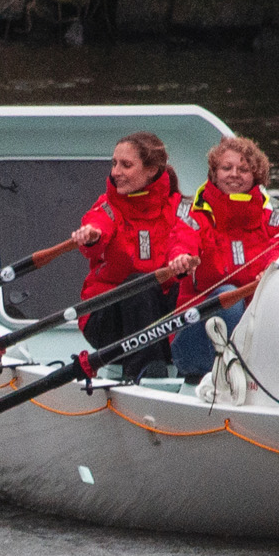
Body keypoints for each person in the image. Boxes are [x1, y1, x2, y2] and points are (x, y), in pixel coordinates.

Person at [67, 130, 196, 378]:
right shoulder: (107, 206)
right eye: (114, 163)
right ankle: (144, 371)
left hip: (160, 321)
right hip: (107, 321)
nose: (115, 172)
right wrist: (92, 236)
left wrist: (182, 257)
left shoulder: (181, 209)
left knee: (193, 288)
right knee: (140, 284)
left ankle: (194, 366)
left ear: (151, 170)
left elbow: (185, 238)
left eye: (126, 165)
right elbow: (98, 223)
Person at [172, 135, 279, 380]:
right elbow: (182, 240)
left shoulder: (275, 220)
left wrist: (271, 266)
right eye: (226, 168)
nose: (234, 174)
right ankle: (229, 375)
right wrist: (181, 258)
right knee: (230, 295)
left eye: (243, 169)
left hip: (254, 339)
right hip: (196, 343)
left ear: (256, 176)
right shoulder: (196, 217)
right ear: (214, 174)